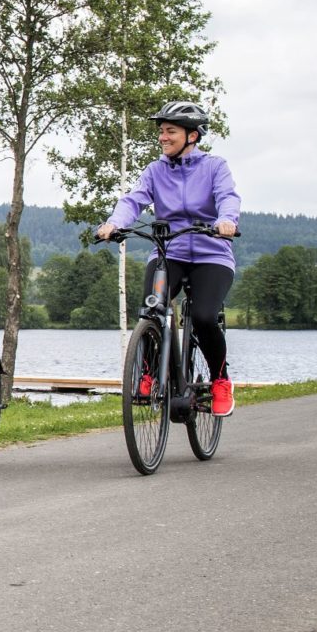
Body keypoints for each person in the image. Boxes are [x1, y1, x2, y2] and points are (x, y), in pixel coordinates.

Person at [95, 101, 241, 415]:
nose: (162, 137)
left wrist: (226, 221)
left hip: (212, 253)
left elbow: (227, 197)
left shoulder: (215, 167)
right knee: (152, 309)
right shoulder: (155, 171)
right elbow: (133, 201)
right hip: (169, 252)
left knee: (204, 317)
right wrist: (114, 223)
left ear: (192, 135)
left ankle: (220, 380)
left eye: (170, 131)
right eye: (161, 131)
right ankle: (149, 373)